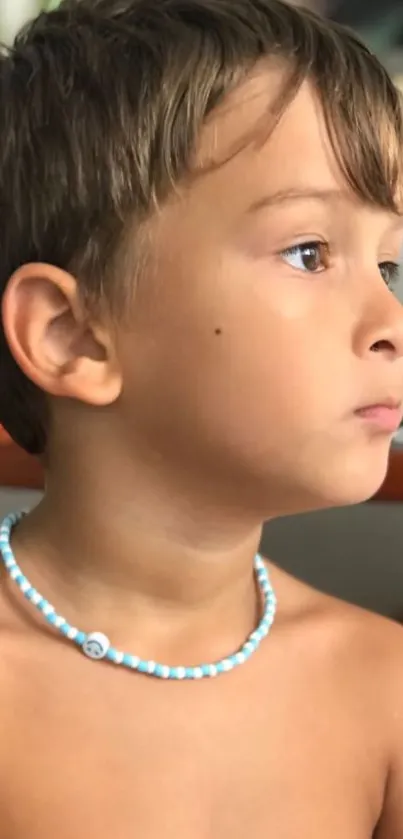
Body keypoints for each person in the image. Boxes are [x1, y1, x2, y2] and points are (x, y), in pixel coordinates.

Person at [1, 0, 403, 835]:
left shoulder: (383, 691)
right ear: (71, 334)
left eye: (389, 262)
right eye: (308, 252)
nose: (388, 321)